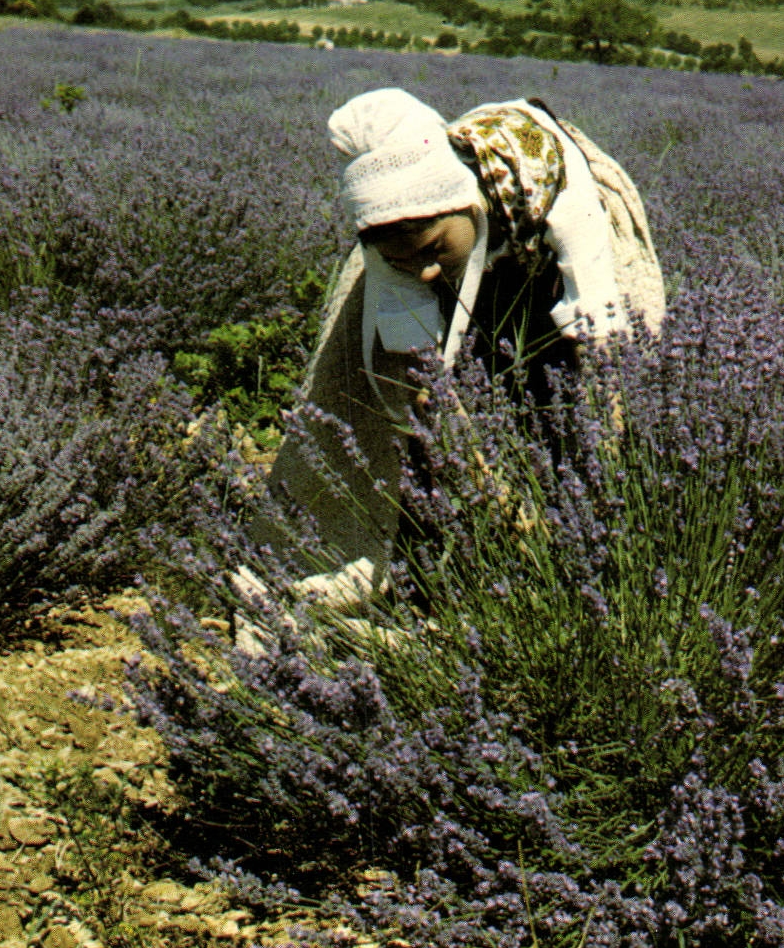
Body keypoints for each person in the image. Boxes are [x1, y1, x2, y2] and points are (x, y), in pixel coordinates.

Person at [247, 87, 665, 604]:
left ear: (465, 208)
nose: (421, 269)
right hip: (469, 235)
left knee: (586, 389)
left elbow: (598, 333)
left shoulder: (547, 174)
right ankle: (390, 558)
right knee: (380, 381)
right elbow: (415, 370)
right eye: (403, 261)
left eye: (431, 250)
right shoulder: (398, 248)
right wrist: (463, 459)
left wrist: (603, 463)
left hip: (550, 226)